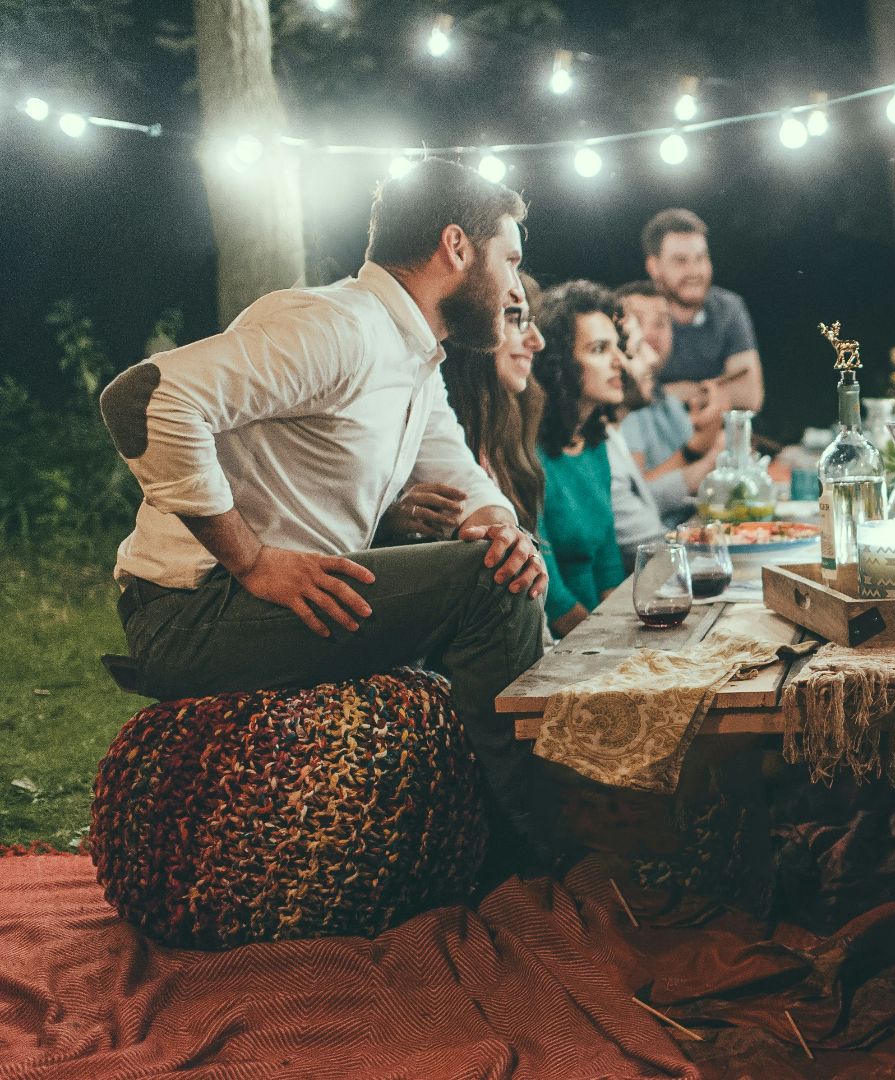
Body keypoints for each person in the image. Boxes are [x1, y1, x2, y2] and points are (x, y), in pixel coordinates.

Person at [96, 158, 555, 864]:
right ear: (457, 247)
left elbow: (463, 477)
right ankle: (539, 847)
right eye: (511, 259)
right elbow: (144, 399)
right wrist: (250, 559)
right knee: (491, 589)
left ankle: (508, 821)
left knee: (503, 563)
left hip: (277, 606)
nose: (516, 287)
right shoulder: (338, 328)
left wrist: (503, 532)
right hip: (191, 611)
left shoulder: (412, 357)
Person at [405, 276, 547, 538]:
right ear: (473, 328)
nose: (538, 341)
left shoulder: (506, 435)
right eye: (517, 320)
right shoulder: (425, 438)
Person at [531, 281, 631, 638]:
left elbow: (607, 563)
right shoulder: (528, 451)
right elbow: (551, 597)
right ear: (560, 362)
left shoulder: (592, 441)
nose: (619, 361)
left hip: (598, 631)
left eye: (617, 347)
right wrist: (607, 644)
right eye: (599, 349)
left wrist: (625, 631)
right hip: (559, 646)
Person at [614, 279, 724, 526]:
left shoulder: (664, 398)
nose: (650, 333)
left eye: (661, 323)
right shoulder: (625, 404)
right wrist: (701, 452)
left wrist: (710, 438)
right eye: (637, 322)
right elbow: (634, 497)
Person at [643, 208, 763, 412]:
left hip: (719, 435)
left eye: (700, 258)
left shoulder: (728, 308)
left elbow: (750, 396)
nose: (694, 271)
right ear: (654, 266)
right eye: (680, 261)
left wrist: (676, 391)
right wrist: (715, 390)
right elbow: (625, 397)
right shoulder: (636, 311)